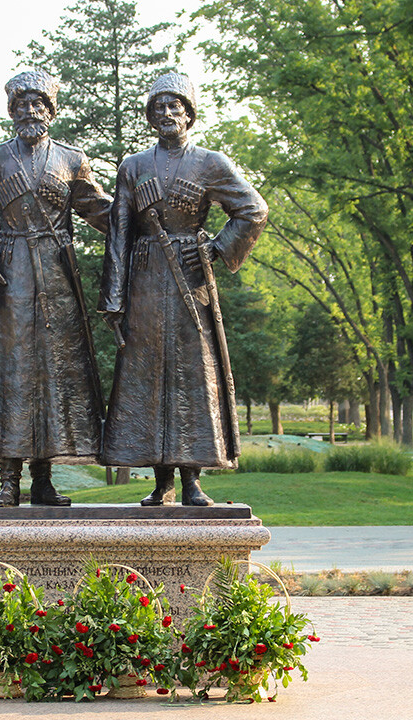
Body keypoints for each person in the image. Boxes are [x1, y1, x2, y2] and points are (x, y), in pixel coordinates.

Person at [99, 73, 268, 506]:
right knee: (147, 376)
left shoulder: (211, 162)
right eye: (158, 108)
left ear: (189, 113)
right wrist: (114, 297)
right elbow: (118, 233)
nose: (166, 114)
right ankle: (161, 481)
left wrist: (215, 248)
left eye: (174, 106)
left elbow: (253, 209)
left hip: (190, 282)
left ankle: (192, 480)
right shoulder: (133, 166)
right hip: (144, 281)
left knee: (193, 375)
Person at [0, 71, 111, 506]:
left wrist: (145, 216)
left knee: (54, 375)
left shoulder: (71, 159)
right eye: (21, 103)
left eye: (37, 103)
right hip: (11, 277)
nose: (29, 110)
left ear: (51, 110)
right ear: (11, 112)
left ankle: (43, 479)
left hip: (59, 279)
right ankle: (9, 479)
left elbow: (100, 211)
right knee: (14, 374)